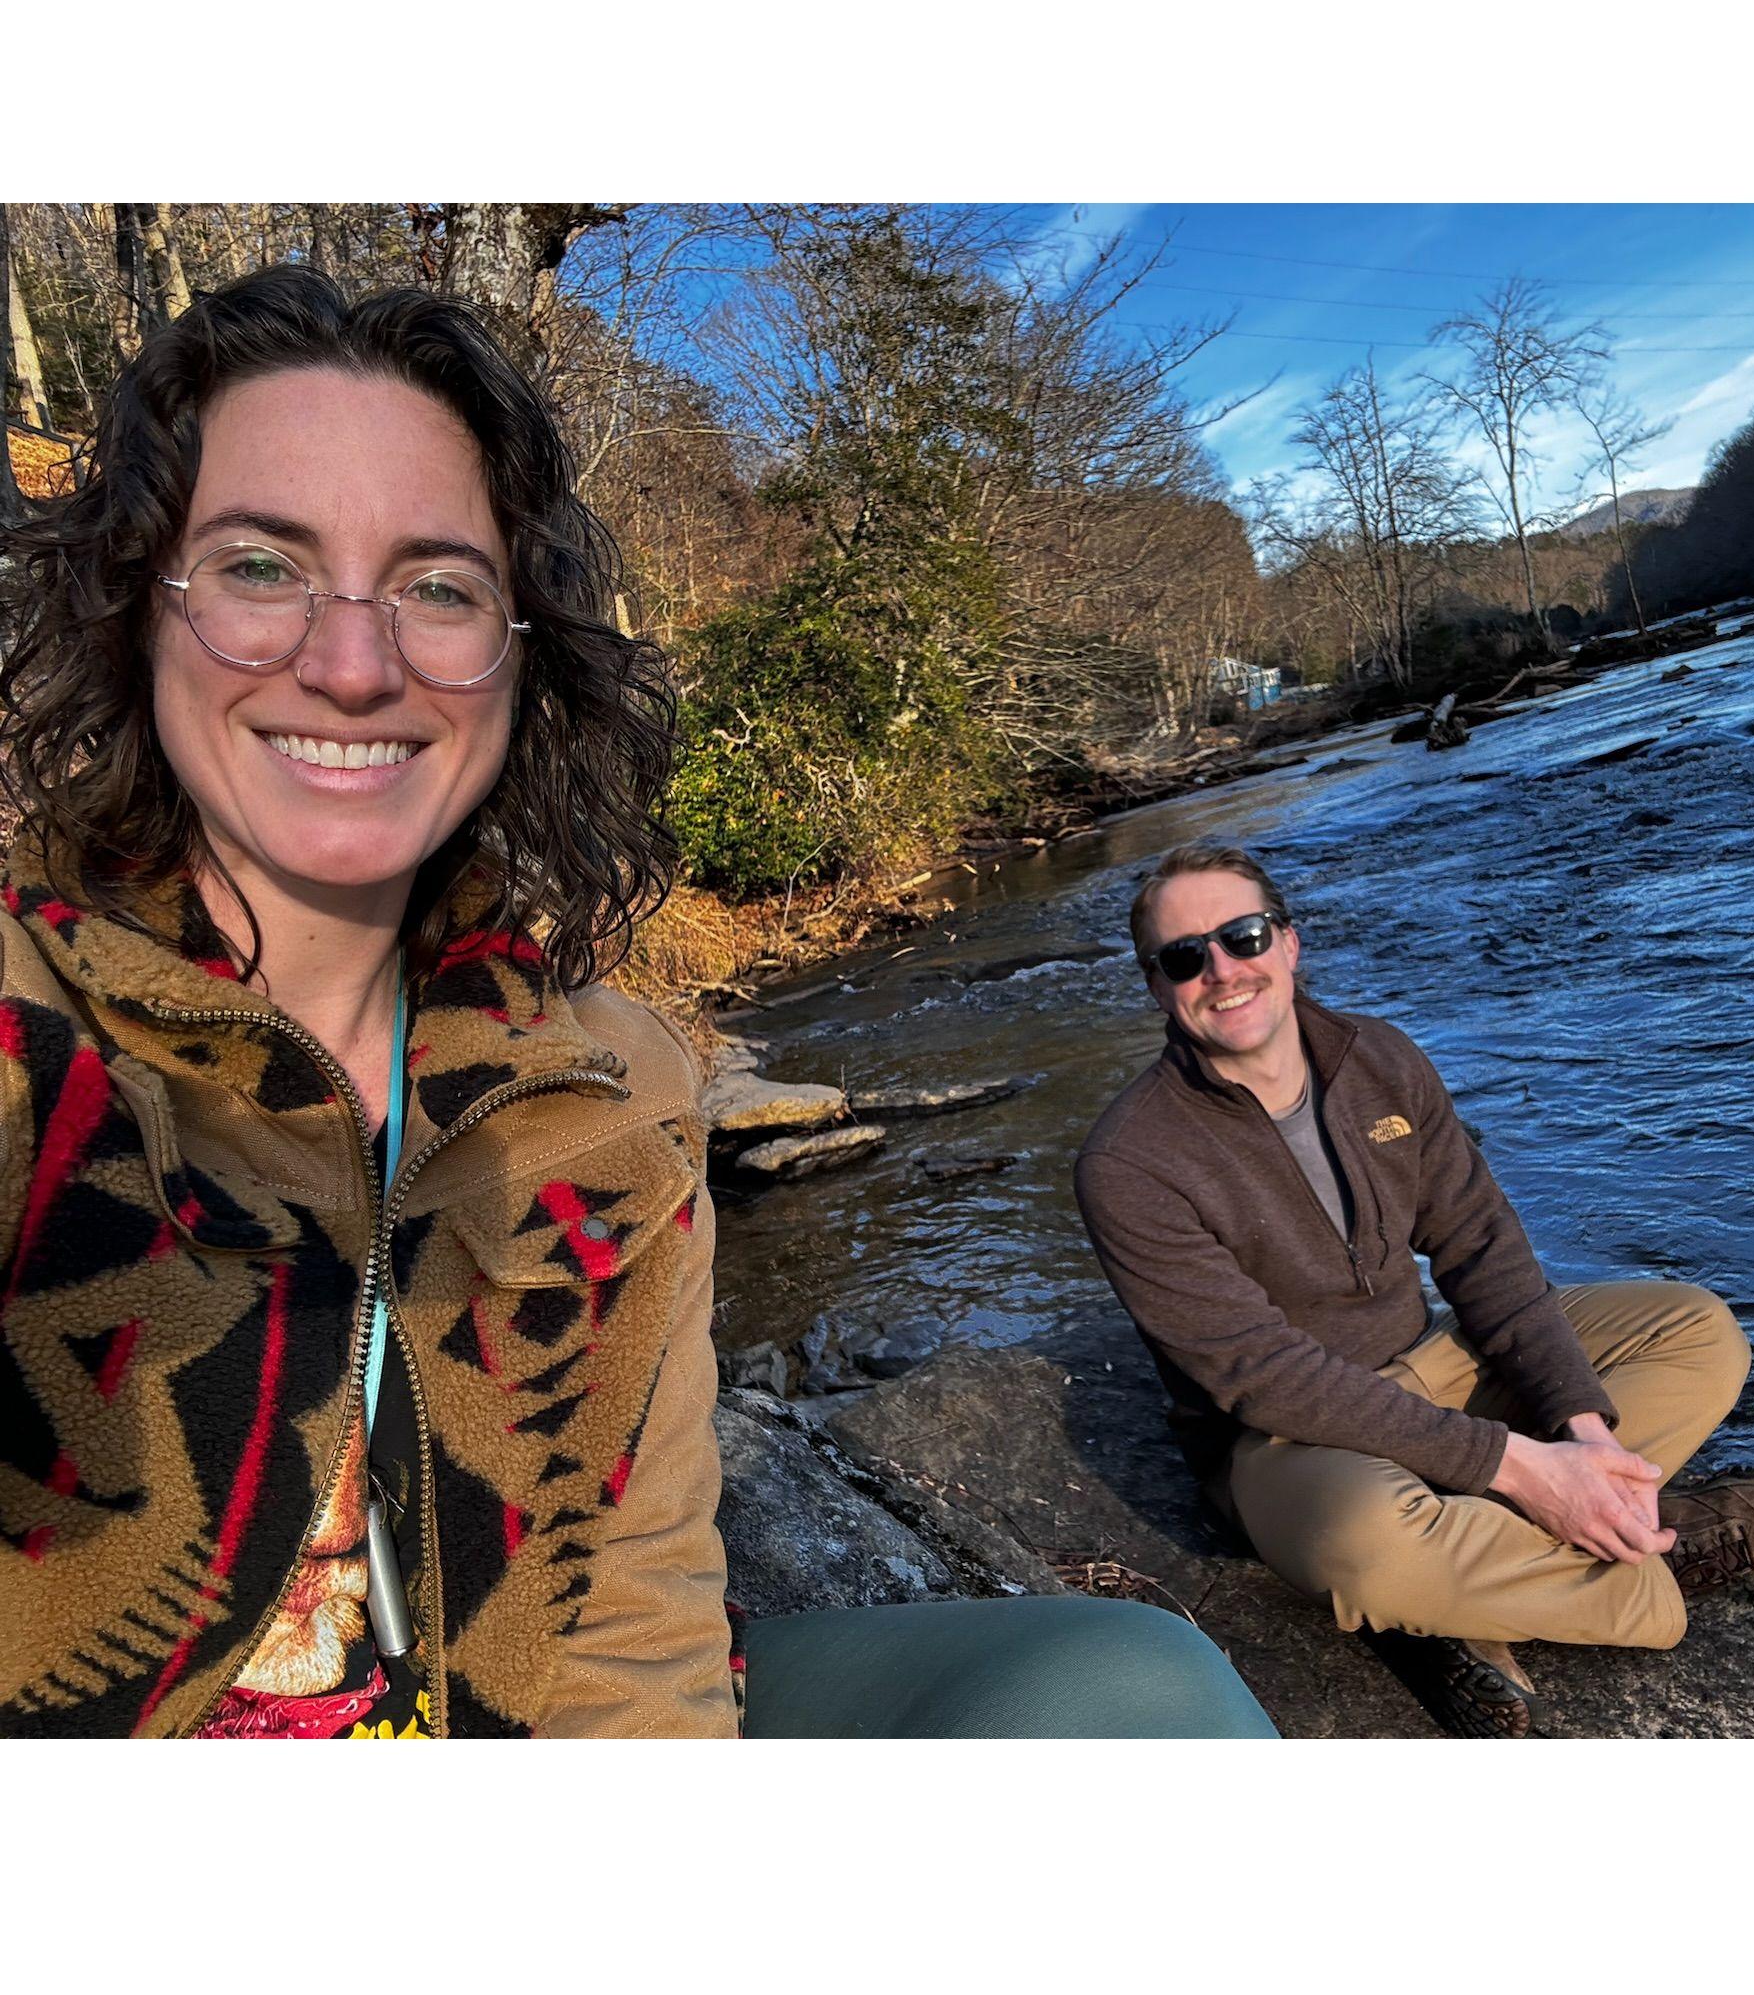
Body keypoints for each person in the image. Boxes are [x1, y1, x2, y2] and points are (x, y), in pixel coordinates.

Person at [0, 268, 1273, 1740]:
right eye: (259, 567)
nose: (352, 665)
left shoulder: (614, 1084)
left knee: (1132, 1692)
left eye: (437, 586)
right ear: (137, 610)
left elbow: (634, 1618)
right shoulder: (33, 1054)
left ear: (518, 655)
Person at [1074, 839, 1754, 1737]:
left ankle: (1493, 1570)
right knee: (1364, 1544)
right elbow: (1265, 1377)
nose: (1221, 970)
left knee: (1698, 1329)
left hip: (1432, 1363)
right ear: (1157, 986)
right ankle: (1655, 1566)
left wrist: (1583, 1437)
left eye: (1242, 936)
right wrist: (1521, 1466)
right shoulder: (1129, 1163)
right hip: (1290, 1439)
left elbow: (1481, 1247)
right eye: (1184, 957)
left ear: (1288, 941)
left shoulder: (1381, 1058)